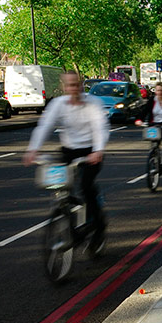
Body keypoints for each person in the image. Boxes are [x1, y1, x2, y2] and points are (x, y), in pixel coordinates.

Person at [23, 71, 109, 249]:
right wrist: (33, 149)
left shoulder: (93, 103)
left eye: (76, 84)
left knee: (86, 186)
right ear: (64, 87)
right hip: (69, 151)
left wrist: (98, 150)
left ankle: (98, 226)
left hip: (91, 151)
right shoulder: (58, 104)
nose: (73, 88)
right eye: (69, 85)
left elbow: (100, 127)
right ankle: (67, 217)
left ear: (81, 85)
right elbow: (45, 126)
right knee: (60, 186)